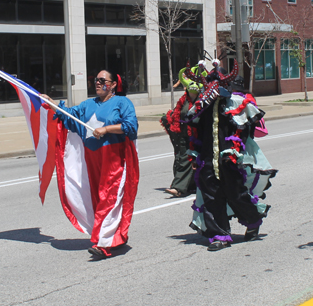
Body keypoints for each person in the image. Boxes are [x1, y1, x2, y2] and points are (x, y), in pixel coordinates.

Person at [41, 70, 139, 259]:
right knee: (96, 198)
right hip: (92, 159)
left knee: (108, 198)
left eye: (102, 80)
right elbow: (69, 115)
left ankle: (103, 244)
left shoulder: (122, 102)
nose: (98, 83)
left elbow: (131, 125)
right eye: (96, 80)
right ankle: (114, 236)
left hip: (113, 159)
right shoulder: (88, 104)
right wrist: (52, 103)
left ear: (112, 85)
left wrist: (106, 129)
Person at [183, 62, 276, 251]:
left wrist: (234, 152)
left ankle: (253, 220)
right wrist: (195, 155)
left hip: (231, 158)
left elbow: (243, 130)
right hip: (208, 156)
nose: (212, 85)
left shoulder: (235, 102)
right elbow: (196, 131)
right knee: (211, 196)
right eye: (209, 82)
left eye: (216, 81)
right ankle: (220, 235)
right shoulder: (202, 105)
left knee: (236, 194)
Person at [161, 67, 202, 198]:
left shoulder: (202, 100)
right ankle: (190, 186)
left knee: (187, 160)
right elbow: (176, 115)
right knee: (181, 159)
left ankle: (178, 188)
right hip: (183, 135)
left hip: (197, 136)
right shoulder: (183, 100)